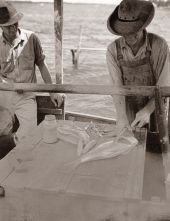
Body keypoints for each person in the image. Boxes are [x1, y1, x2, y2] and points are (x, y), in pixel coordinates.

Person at [0, 1, 64, 146]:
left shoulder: (32, 38)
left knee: (29, 135)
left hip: (27, 96)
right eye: (8, 25)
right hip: (4, 95)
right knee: (2, 131)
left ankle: (17, 146)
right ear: (1, 27)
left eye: (15, 23)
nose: (13, 27)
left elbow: (42, 65)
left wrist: (52, 92)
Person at [106, 0, 170, 136]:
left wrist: (147, 110)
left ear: (143, 26)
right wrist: (121, 117)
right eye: (125, 32)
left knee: (157, 146)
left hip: (156, 107)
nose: (129, 37)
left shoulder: (159, 45)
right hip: (128, 109)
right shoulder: (112, 50)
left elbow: (164, 84)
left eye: (134, 31)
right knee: (130, 144)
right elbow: (116, 87)